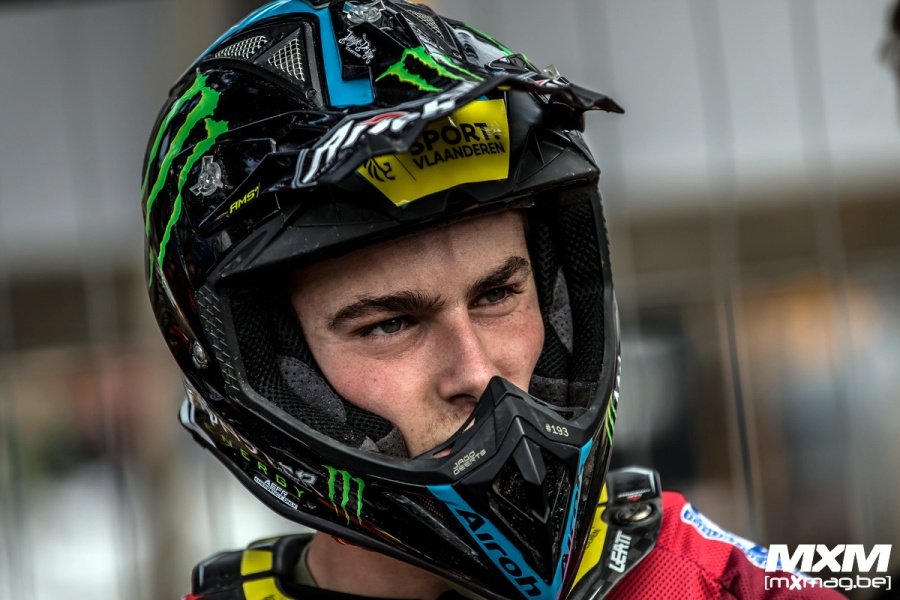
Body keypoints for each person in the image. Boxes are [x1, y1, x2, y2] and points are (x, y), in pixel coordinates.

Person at [141, 1, 847, 598]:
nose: (477, 372)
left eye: (498, 294)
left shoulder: (717, 584)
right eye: (390, 324)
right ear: (265, 361)